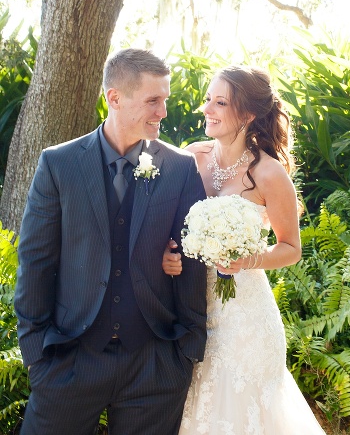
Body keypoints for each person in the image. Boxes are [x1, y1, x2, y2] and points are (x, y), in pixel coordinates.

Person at [14, 48, 208, 434]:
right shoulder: (59, 164)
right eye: (154, 101)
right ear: (114, 98)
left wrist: (186, 348)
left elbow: (193, 256)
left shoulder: (180, 168)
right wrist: (37, 352)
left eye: (164, 100)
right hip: (69, 361)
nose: (163, 112)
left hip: (154, 365)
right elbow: (36, 259)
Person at [161, 65, 326, 435]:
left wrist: (248, 260)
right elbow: (168, 228)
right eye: (208, 100)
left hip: (245, 320)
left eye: (220, 102)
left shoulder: (269, 174)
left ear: (248, 114)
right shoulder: (190, 158)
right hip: (190, 308)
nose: (207, 109)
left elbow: (291, 248)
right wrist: (170, 253)